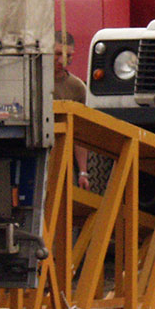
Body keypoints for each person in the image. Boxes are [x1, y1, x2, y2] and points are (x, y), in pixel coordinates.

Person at [54, 31, 90, 190]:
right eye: (57, 54)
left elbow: (80, 134)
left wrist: (83, 172)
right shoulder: (34, 80)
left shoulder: (78, 88)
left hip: (65, 161)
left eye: (68, 55)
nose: (63, 60)